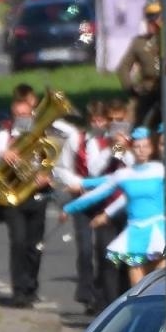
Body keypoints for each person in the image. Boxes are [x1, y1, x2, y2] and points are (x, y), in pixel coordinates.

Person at [64, 127, 166, 286]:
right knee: (137, 281)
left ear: (152, 148)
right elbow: (102, 178)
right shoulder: (123, 169)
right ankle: (138, 307)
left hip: (157, 231)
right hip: (135, 232)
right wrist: (70, 206)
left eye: (145, 147)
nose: (141, 150)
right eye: (137, 146)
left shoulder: (161, 170)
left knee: (160, 275)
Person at [0, 92, 56, 307]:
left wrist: (47, 176)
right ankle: (19, 291)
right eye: (19, 115)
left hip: (37, 194)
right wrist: (1, 154)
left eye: (27, 114)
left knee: (35, 245)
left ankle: (31, 287)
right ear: (13, 116)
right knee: (19, 242)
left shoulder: (43, 136)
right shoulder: (4, 137)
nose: (23, 118)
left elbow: (56, 164)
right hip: (13, 196)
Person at [54, 100, 116, 316]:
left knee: (103, 249)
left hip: (104, 200)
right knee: (85, 249)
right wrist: (76, 183)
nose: (98, 124)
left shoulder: (113, 143)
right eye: (94, 120)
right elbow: (61, 168)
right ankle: (87, 294)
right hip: (81, 197)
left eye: (102, 120)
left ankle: (101, 296)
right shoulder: (76, 139)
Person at [117, 2, 164, 129]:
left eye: (155, 20)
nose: (152, 25)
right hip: (147, 90)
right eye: (149, 20)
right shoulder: (139, 42)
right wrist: (131, 89)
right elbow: (123, 67)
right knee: (140, 122)